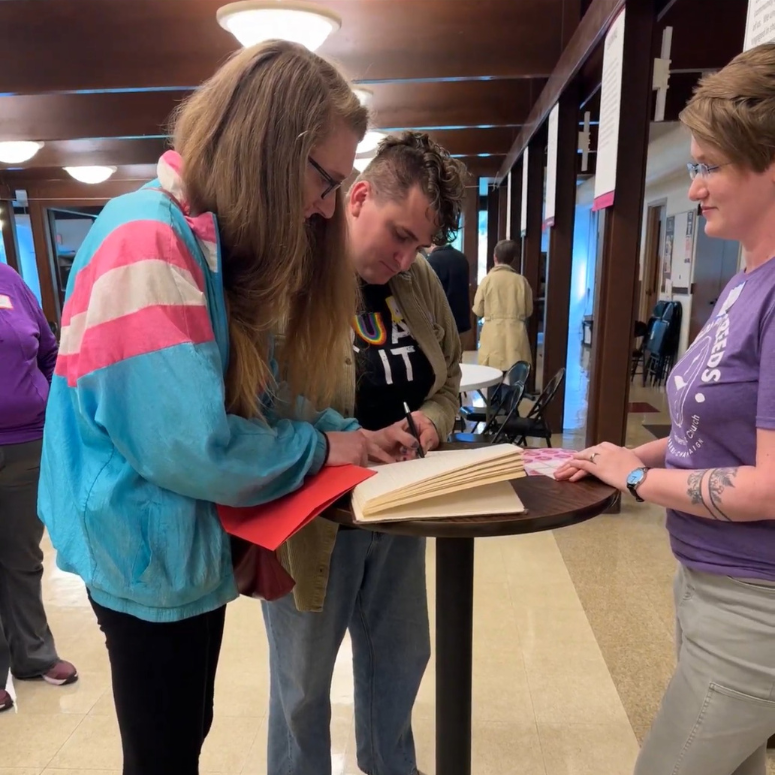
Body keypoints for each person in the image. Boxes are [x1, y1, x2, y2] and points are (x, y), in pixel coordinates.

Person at [37, 41, 402, 775]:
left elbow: (254, 389)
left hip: (179, 548)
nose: (324, 207)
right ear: (271, 148)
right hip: (145, 553)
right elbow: (190, 444)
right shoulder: (146, 239)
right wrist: (319, 449)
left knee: (183, 732)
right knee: (164, 749)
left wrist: (343, 433)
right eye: (325, 180)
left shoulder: (201, 241)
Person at [555, 43, 775, 775]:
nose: (696, 187)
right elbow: (713, 432)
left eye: (709, 166)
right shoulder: (745, 280)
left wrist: (638, 481)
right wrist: (623, 456)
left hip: (755, 605)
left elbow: (768, 484)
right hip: (707, 584)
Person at [263, 131, 466, 775]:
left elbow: (449, 383)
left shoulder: (419, 282)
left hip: (401, 510)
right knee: (302, 688)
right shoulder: (289, 277)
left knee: (399, 662)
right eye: (399, 236)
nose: (407, 259)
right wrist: (346, 442)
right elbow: (257, 402)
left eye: (420, 246)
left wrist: (432, 423)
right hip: (313, 520)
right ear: (356, 198)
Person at [0, 263, 77, 712]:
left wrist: (47, 403)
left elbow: (50, 353)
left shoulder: (9, 279)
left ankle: (34, 656)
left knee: (23, 557)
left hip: (27, 444)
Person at [473, 239, 533, 370]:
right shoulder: (522, 281)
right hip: (516, 336)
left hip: (492, 336)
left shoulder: (487, 280)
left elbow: (478, 310)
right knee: (514, 380)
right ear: (514, 259)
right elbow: (528, 311)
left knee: (493, 379)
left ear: (495, 257)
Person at [427, 242, 474, 350]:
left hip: (443, 325)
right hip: (463, 322)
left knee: (441, 363)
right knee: (457, 362)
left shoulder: (433, 260)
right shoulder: (461, 257)